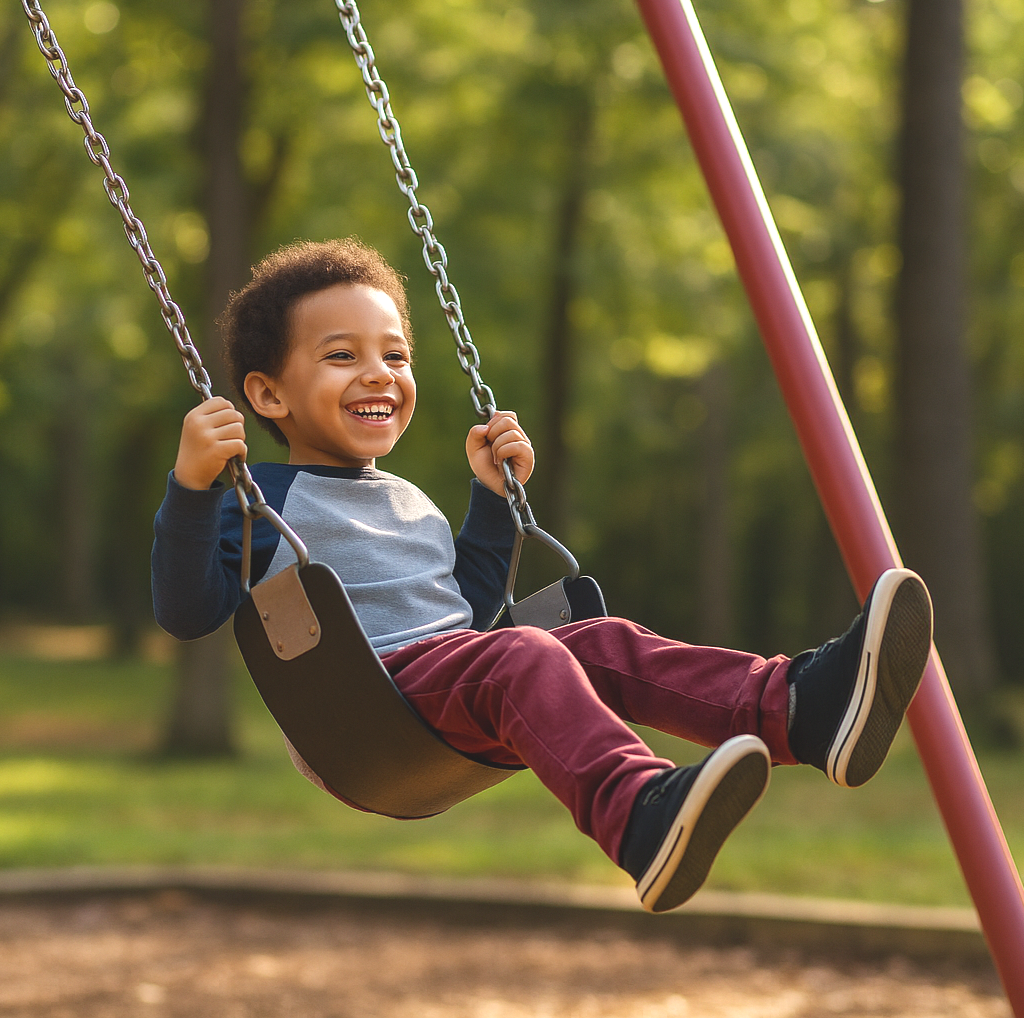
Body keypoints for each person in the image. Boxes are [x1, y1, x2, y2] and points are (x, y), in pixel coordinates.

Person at [152, 238, 934, 914]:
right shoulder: (262, 504)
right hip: (366, 715)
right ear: (267, 394)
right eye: (341, 356)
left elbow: (465, 606)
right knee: (525, 654)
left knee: (596, 642)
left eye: (395, 354)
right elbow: (190, 611)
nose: (378, 374)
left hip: (445, 681)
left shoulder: (410, 497)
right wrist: (192, 488)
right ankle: (639, 815)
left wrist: (491, 502)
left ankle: (798, 709)